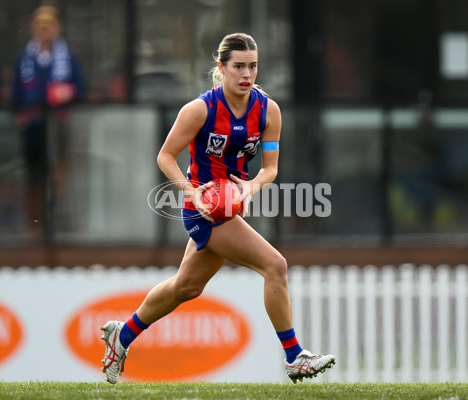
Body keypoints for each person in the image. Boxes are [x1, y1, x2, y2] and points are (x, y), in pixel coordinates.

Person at [100, 33, 335, 384]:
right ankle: (294, 356)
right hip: (204, 208)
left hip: (231, 205)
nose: (246, 74)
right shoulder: (200, 109)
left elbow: (270, 169)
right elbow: (165, 156)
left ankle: (123, 335)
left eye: (252, 66)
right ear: (221, 67)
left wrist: (252, 185)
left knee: (186, 287)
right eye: (238, 66)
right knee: (275, 266)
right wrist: (191, 193)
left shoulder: (267, 110)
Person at [11, 4, 84, 239]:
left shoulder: (67, 56)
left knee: (58, 171)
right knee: (34, 173)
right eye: (41, 27)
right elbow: (15, 94)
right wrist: (22, 113)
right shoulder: (25, 57)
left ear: (56, 29)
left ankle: (57, 219)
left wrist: (68, 92)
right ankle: (35, 223)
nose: (45, 31)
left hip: (58, 123)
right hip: (33, 126)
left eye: (49, 26)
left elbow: (79, 87)